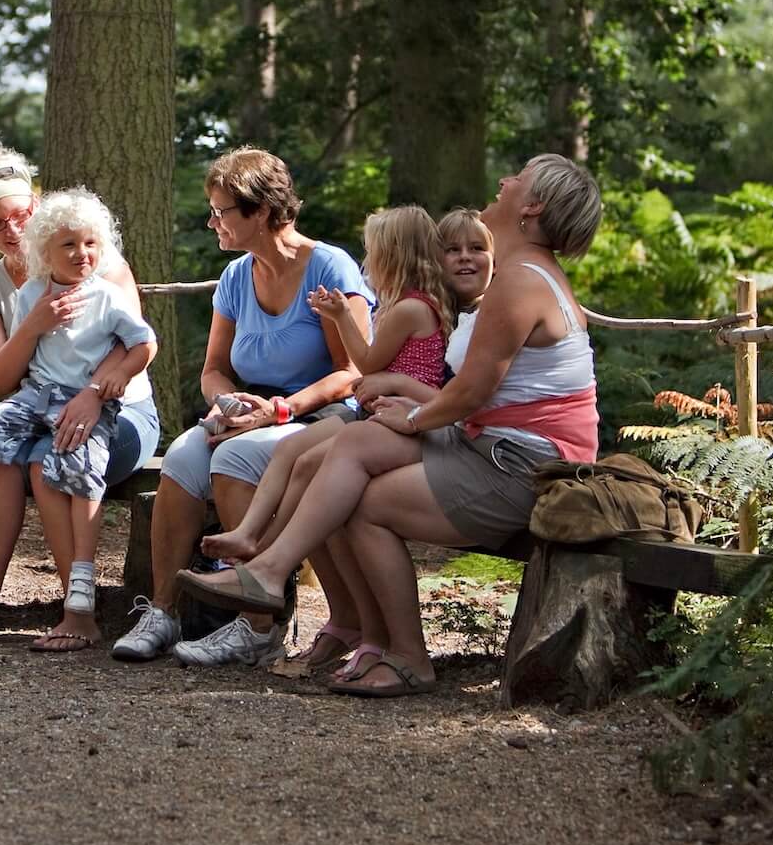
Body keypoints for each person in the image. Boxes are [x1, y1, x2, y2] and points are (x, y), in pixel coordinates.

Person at [177, 155, 603, 697]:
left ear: (532, 207)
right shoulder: (521, 279)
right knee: (346, 448)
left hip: (522, 466)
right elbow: (473, 396)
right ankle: (280, 578)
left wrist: (415, 413)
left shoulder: (520, 284)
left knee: (361, 500)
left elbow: (471, 393)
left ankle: (401, 653)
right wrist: (410, 403)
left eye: (516, 180)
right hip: (491, 444)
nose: (504, 182)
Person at [109, 147, 372, 668]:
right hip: (256, 413)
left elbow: (355, 373)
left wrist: (278, 410)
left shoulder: (327, 266)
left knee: (237, 457)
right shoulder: (235, 278)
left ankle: (257, 624)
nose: (211, 223)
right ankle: (162, 611)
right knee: (185, 455)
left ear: (262, 212)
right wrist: (226, 404)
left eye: (221, 211)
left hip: (322, 418)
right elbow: (213, 370)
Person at [0, 141, 162, 649]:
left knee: (41, 460)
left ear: (37, 205)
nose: (12, 231)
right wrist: (31, 326)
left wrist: (94, 394)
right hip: (39, 408)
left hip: (119, 409)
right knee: (5, 457)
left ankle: (78, 613)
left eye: (20, 215)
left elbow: (134, 347)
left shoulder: (93, 260)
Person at [199, 205, 454, 575]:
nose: (366, 264)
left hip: (397, 414)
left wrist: (341, 317)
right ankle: (251, 535)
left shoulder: (409, 310)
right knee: (292, 451)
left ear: (394, 257)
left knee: (308, 465)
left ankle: (266, 549)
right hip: (374, 411)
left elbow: (365, 364)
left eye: (373, 254)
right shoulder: (401, 307)